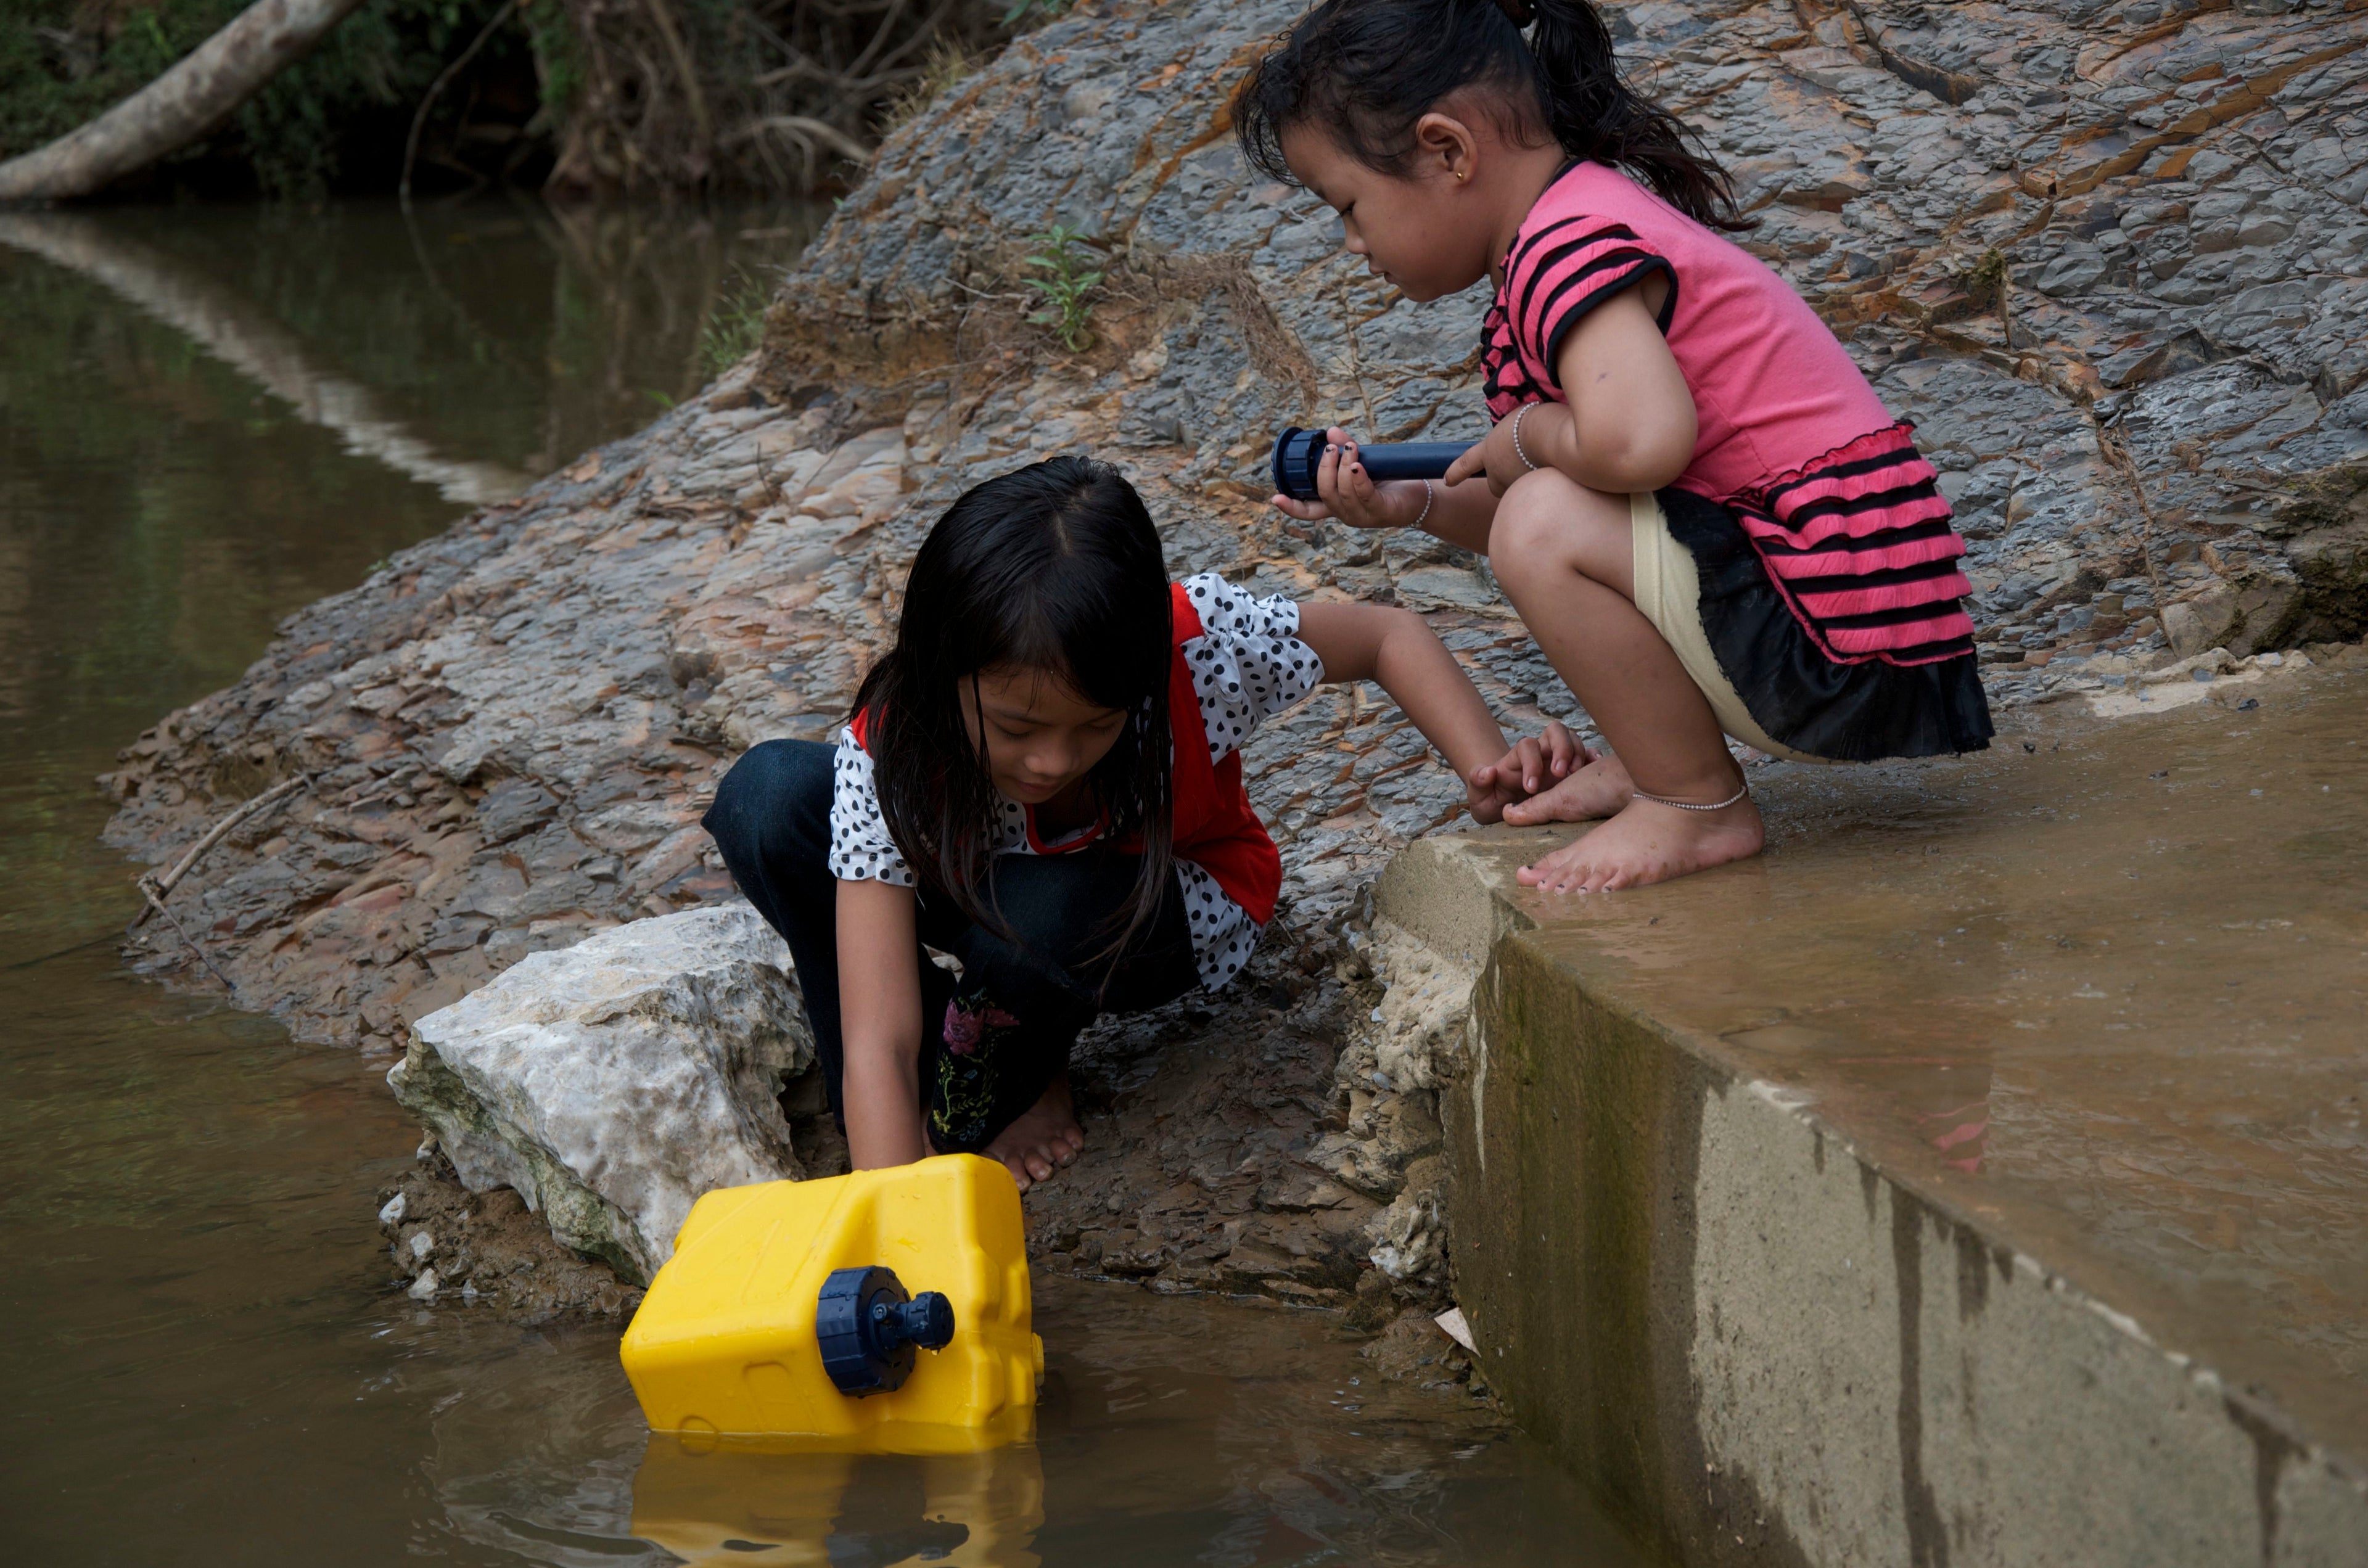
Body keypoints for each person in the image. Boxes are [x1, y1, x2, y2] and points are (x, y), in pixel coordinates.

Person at [1233, 0, 1993, 895]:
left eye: (1349, 207)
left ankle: (1695, 802)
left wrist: (1528, 433)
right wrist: (1417, 505)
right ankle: (1661, 757)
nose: (1353, 244)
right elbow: (1588, 509)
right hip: (1859, 616)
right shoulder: (1568, 230)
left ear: (1449, 150)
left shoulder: (1568, 246)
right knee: (1545, 515)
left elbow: (1633, 450)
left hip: (1842, 630)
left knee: (1544, 520)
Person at [704, 456, 1533, 1191]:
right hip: (993, 893)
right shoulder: (898, 743)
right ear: (939, 674)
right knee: (769, 798)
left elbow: (1386, 635)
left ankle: (1008, 1079)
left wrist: (1487, 772)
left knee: (1037, 924)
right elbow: (879, 1034)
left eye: (1096, 725)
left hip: (1161, 906)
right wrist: (892, 1215)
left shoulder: (1197, 646)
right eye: (1018, 728)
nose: (1052, 762)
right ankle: (989, 1046)